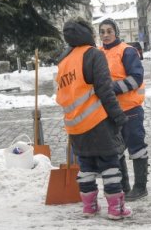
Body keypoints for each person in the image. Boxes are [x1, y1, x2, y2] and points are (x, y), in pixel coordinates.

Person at [55, 17, 132, 219]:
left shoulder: (63, 61)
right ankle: (116, 208)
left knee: (86, 165)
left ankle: (89, 207)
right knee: (109, 164)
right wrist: (119, 117)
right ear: (88, 33)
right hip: (97, 121)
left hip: (75, 125)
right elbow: (105, 91)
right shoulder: (93, 55)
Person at [98, 18, 148, 202]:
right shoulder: (97, 53)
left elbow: (136, 78)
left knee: (136, 147)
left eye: (109, 31)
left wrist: (112, 88)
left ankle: (141, 187)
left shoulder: (127, 51)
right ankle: (124, 187)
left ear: (116, 32)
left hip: (130, 109)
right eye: (102, 31)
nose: (105, 35)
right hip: (110, 112)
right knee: (115, 150)